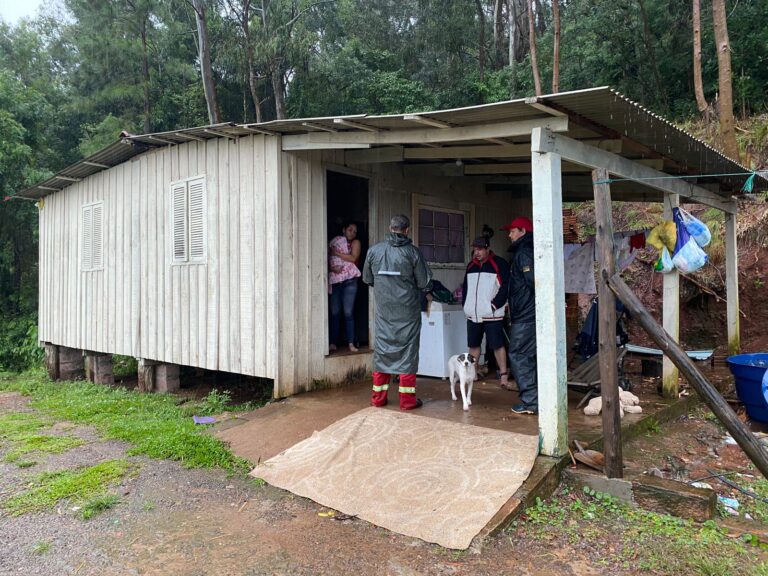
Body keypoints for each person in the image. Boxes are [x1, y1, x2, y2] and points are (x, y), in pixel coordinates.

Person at [362, 214, 432, 410]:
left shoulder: (374, 251)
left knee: (382, 352)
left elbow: (367, 279)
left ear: (390, 228)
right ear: (407, 230)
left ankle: (378, 398)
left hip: (384, 314)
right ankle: (407, 401)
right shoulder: (413, 253)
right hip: (408, 314)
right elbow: (425, 282)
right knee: (408, 355)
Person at [461, 236, 511, 390]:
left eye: (480, 249)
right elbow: (465, 288)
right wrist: (466, 305)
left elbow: (506, 287)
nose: (477, 252)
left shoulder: (499, 263)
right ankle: (473, 374)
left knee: (497, 344)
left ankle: (503, 375)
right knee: (473, 345)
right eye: (475, 249)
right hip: (473, 314)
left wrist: (494, 305)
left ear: (488, 248)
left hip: (492, 314)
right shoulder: (471, 266)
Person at [503, 216, 538, 415]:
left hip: (525, 315)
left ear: (523, 232)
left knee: (518, 354)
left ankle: (531, 401)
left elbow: (534, 281)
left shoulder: (524, 253)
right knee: (529, 355)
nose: (509, 234)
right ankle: (534, 399)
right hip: (528, 312)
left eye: (513, 231)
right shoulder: (529, 250)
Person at [328, 221, 362, 352]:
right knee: (335, 312)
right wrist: (332, 268)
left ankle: (351, 343)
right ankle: (333, 343)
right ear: (344, 230)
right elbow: (327, 259)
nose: (352, 233)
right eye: (350, 230)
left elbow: (353, 258)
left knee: (348, 313)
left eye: (355, 231)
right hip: (336, 281)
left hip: (350, 282)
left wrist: (336, 254)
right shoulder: (335, 242)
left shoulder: (355, 243)